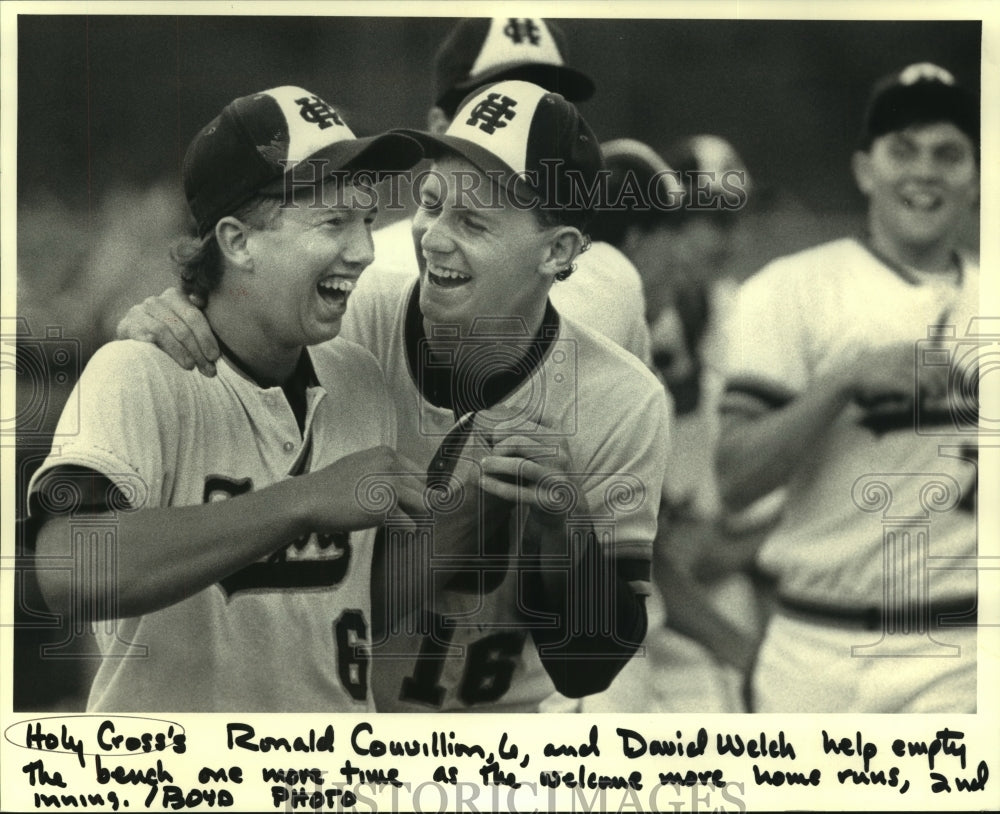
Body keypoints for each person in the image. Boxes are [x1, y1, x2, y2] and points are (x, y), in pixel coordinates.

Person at [117, 80, 671, 712]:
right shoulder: (346, 316)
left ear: (559, 250)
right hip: (334, 723)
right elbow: (239, 305)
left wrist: (563, 530)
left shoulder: (622, 399)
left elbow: (589, 665)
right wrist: (177, 314)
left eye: (473, 221)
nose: (432, 237)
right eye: (431, 204)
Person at [27, 86, 426, 711]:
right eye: (332, 221)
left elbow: (351, 611)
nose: (365, 250)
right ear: (237, 242)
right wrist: (300, 502)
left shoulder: (360, 378)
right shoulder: (140, 371)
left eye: (367, 221)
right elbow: (69, 569)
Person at [716, 63, 980, 712]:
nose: (924, 171)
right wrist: (842, 382)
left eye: (948, 154)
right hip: (816, 647)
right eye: (903, 150)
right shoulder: (792, 288)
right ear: (865, 169)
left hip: (964, 648)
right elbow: (735, 480)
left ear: (975, 178)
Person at [582, 137, 762, 713]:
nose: (707, 242)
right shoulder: (599, 345)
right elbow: (661, 549)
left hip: (662, 586)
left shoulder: (706, 309)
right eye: (694, 221)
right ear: (637, 240)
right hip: (594, 618)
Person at [372, 17, 653, 366]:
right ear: (440, 126)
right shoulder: (377, 269)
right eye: (495, 96)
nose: (526, 109)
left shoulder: (614, 281)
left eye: (548, 97)